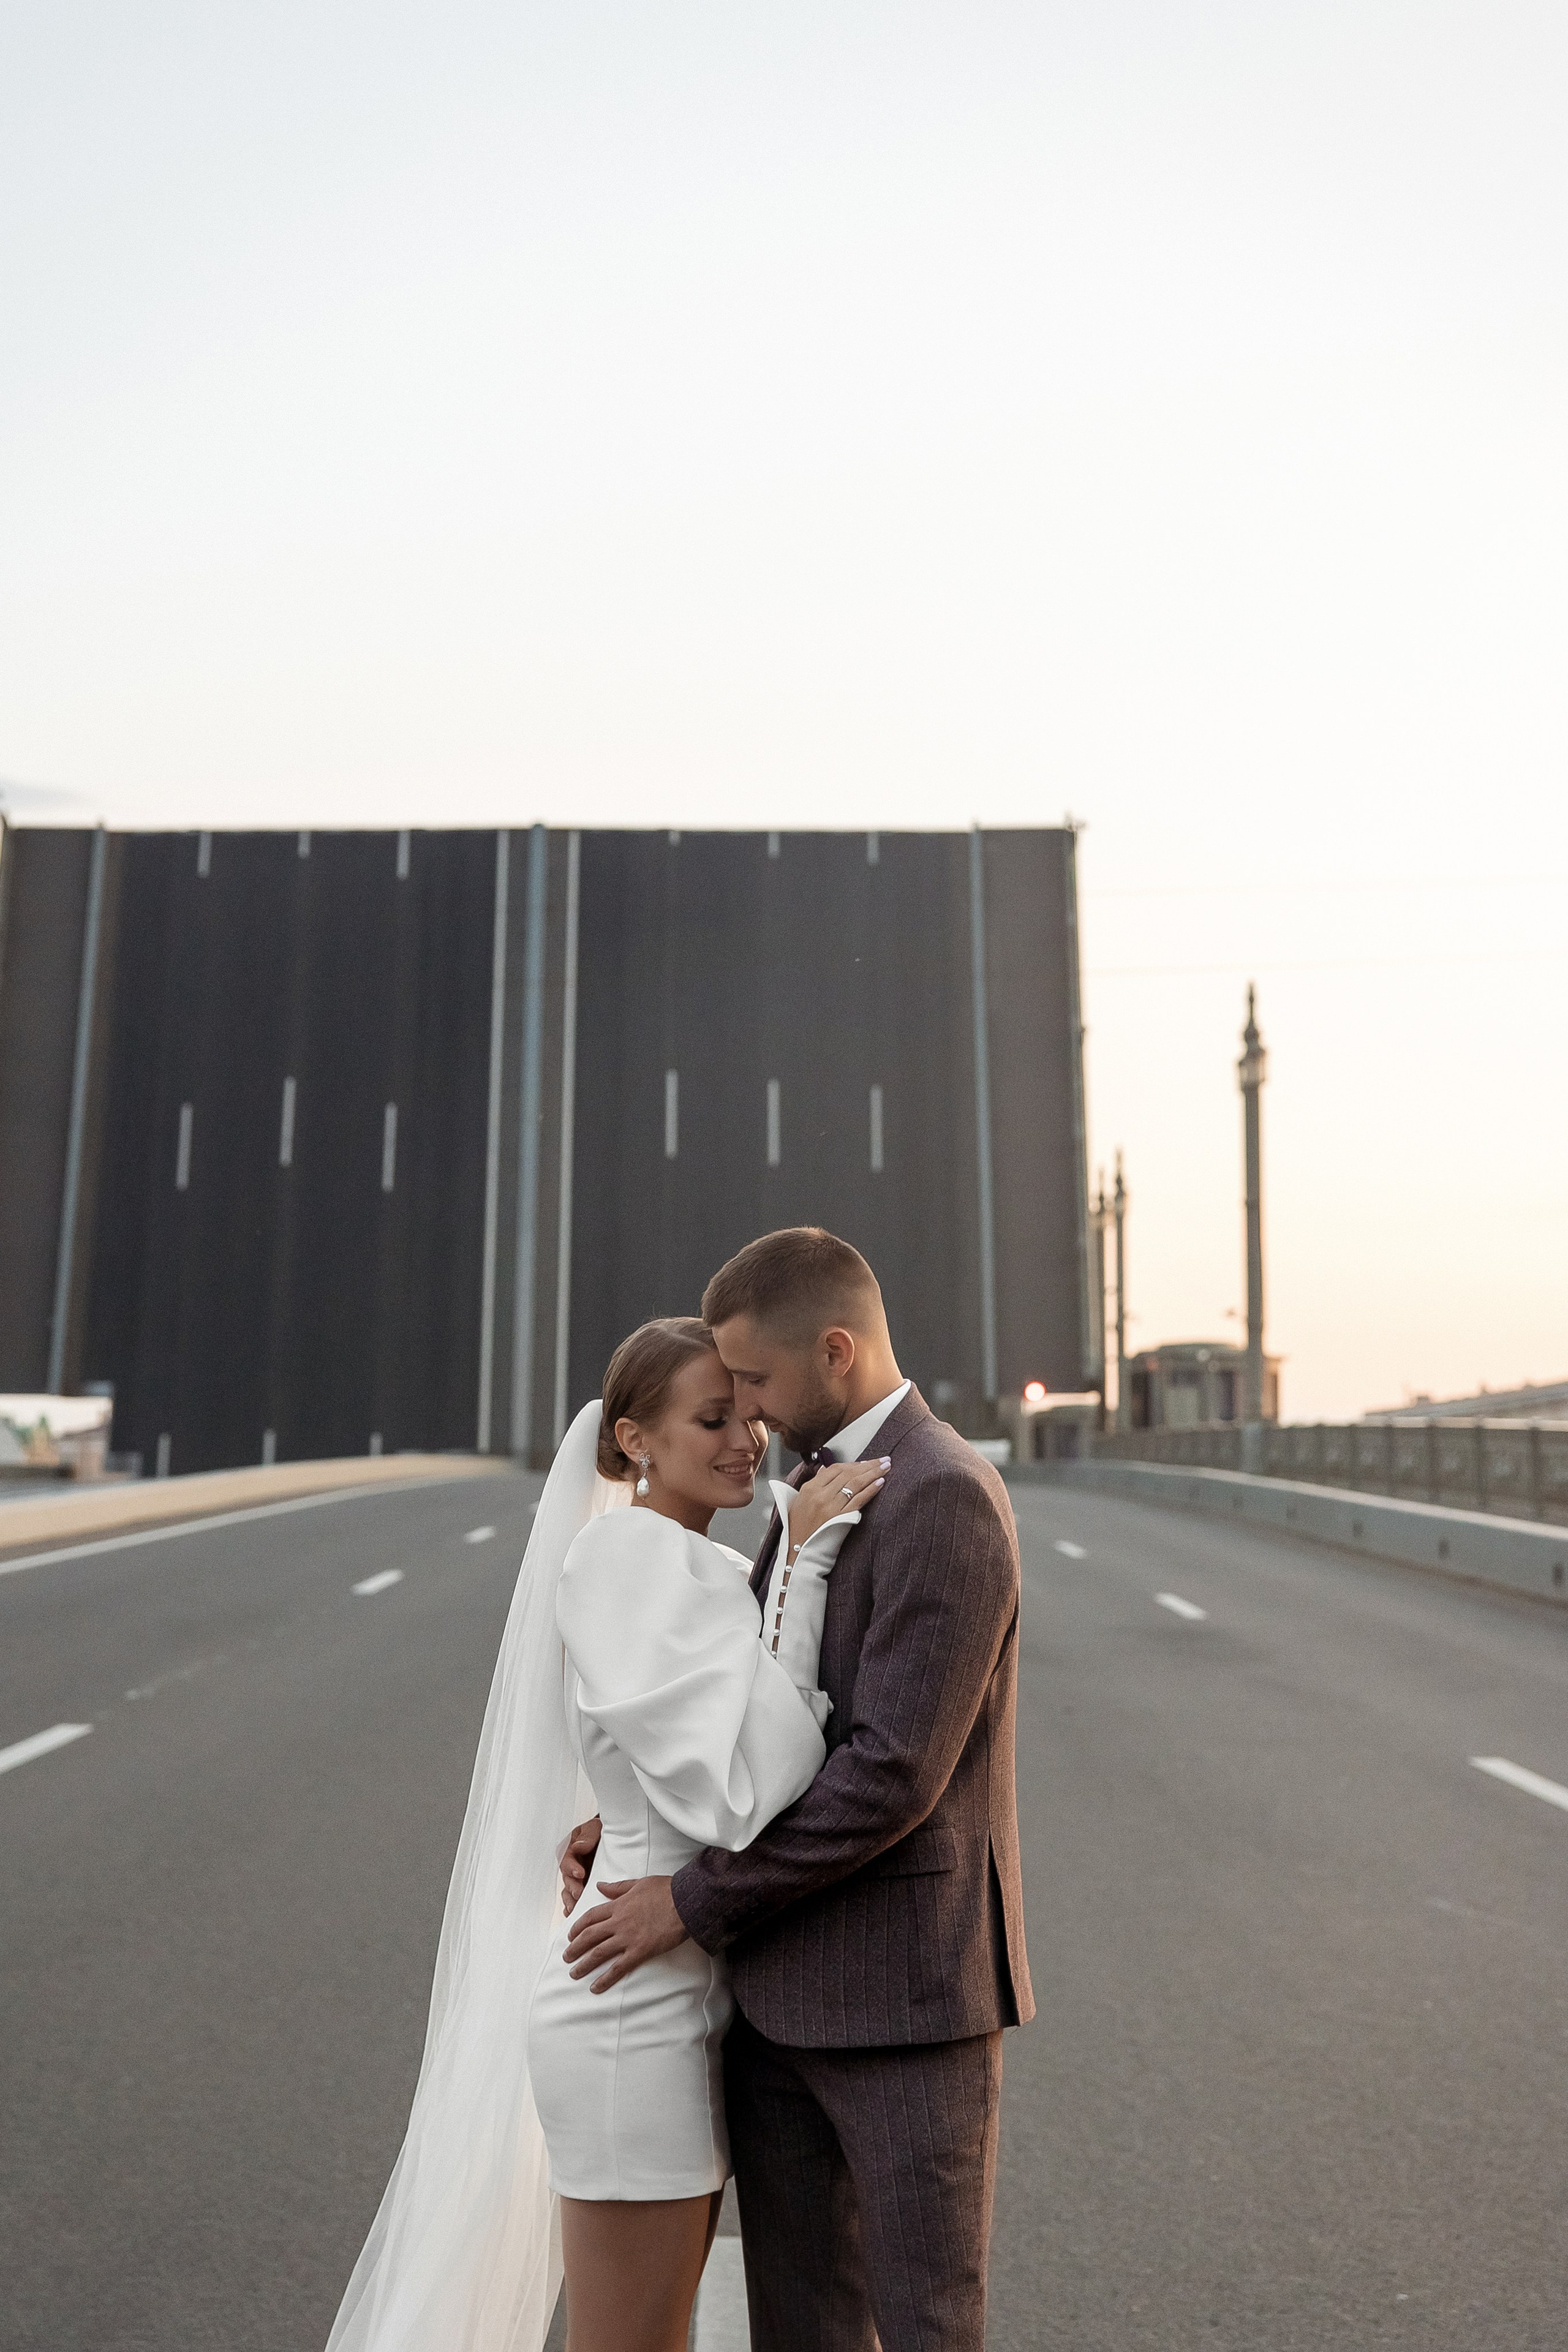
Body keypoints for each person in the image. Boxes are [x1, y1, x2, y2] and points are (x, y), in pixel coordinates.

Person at [323, 1313, 884, 2352]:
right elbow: (741, 1796)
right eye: (711, 1419)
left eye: (748, 1414)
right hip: (633, 2018)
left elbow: (684, 1761)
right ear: (634, 1440)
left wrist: (612, 1814)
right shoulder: (623, 1560)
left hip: (674, 2000)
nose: (744, 1441)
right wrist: (803, 1567)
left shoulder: (687, 1561)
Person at [560, 1227, 1034, 2352]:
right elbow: (748, 1715)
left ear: (834, 1351)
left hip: (903, 2004)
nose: (751, 1416)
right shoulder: (804, 1487)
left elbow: (889, 1776)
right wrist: (630, 1824)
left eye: (756, 1386)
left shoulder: (944, 1493)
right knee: (802, 2327)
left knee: (924, 2326)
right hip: (775, 2002)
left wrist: (693, 1898)